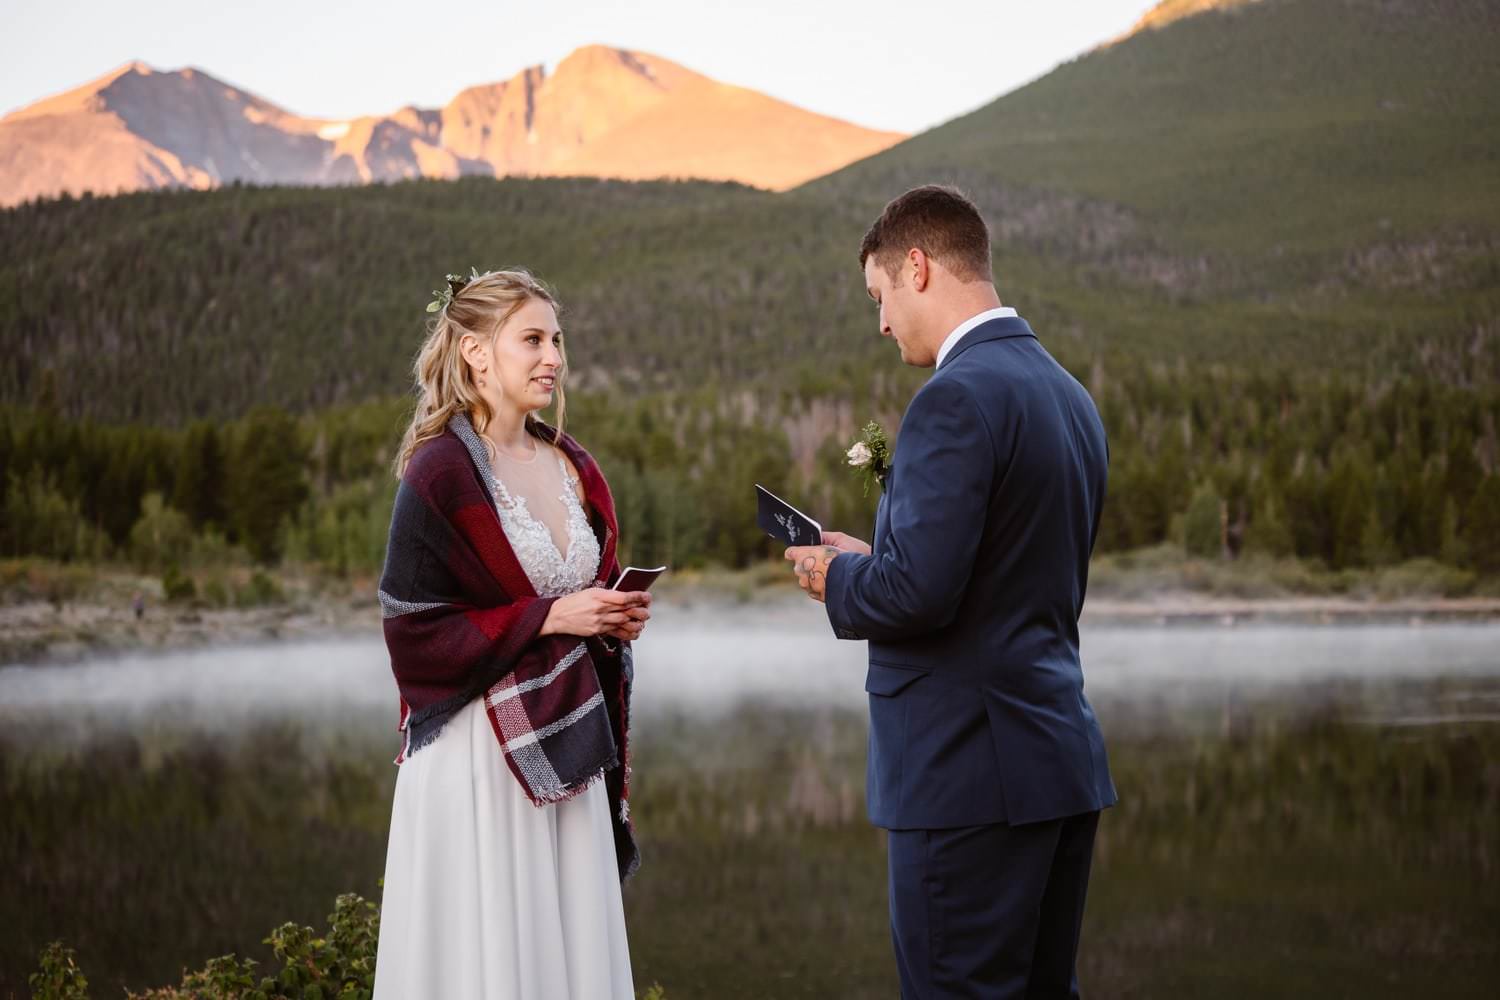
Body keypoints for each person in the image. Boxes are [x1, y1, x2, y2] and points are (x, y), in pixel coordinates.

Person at [786, 186, 1116, 999]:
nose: (883, 323)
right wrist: (885, 554)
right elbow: (995, 571)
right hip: (1056, 763)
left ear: (919, 268)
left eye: (880, 296)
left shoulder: (955, 397)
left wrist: (837, 576)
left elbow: (914, 598)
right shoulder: (1069, 396)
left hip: (967, 778)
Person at [373, 267, 650, 999]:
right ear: (475, 351)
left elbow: (593, 587)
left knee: (568, 958)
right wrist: (556, 615)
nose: (553, 357)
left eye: (557, 340)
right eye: (531, 339)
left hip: (568, 748)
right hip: (478, 762)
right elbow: (413, 635)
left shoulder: (574, 465)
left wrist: (612, 617)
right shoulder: (438, 473)